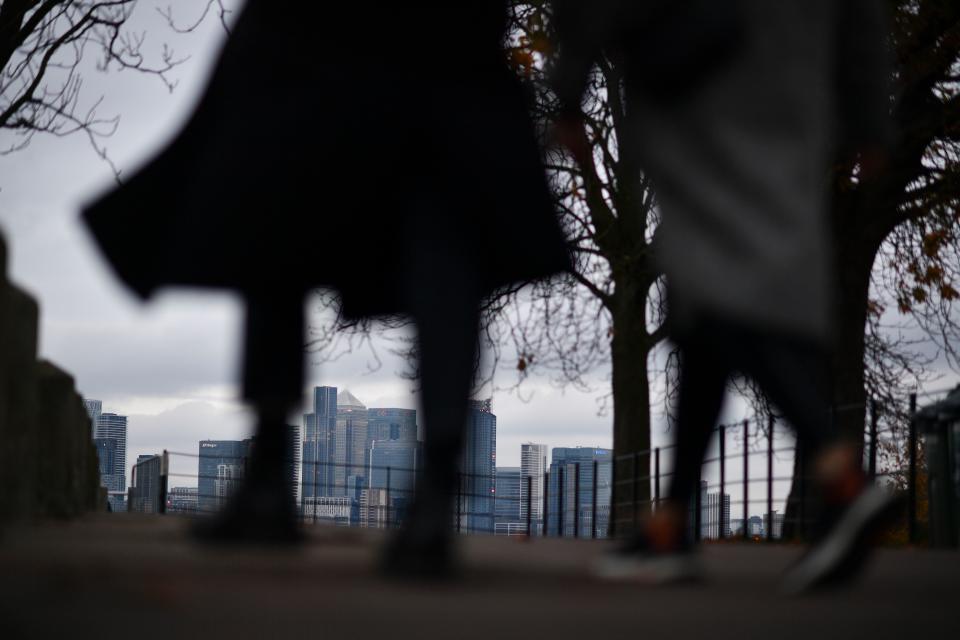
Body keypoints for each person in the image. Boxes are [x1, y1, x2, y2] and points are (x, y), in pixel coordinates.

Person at [83, 2, 569, 572]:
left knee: (283, 223)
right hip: (432, 39)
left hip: (325, 36)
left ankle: (273, 477)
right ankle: (431, 492)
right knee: (434, 234)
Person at [552, 0, 894, 592]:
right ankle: (671, 524)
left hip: (700, 69)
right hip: (796, 77)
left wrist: (569, 85)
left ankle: (840, 473)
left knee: (712, 289)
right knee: (708, 297)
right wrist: (869, 115)